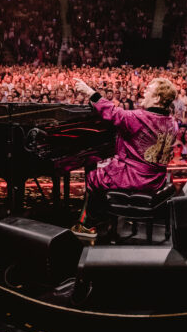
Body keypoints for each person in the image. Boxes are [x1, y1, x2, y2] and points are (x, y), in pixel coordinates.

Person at [70, 77, 179, 238]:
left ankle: (87, 225)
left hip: (136, 178)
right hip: (157, 178)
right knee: (106, 171)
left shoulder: (139, 118)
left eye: (148, 89)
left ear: (157, 98)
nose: (144, 92)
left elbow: (112, 112)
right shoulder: (172, 122)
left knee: (94, 177)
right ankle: (107, 216)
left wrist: (89, 91)